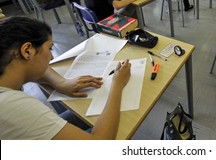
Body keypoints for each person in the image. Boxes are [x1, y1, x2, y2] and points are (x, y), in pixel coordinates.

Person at [0, 16, 131, 140]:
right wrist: (117, 84)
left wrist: (61, 82)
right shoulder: (13, 107)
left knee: (84, 115)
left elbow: (40, 71)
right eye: (49, 48)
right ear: (27, 51)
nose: (51, 57)